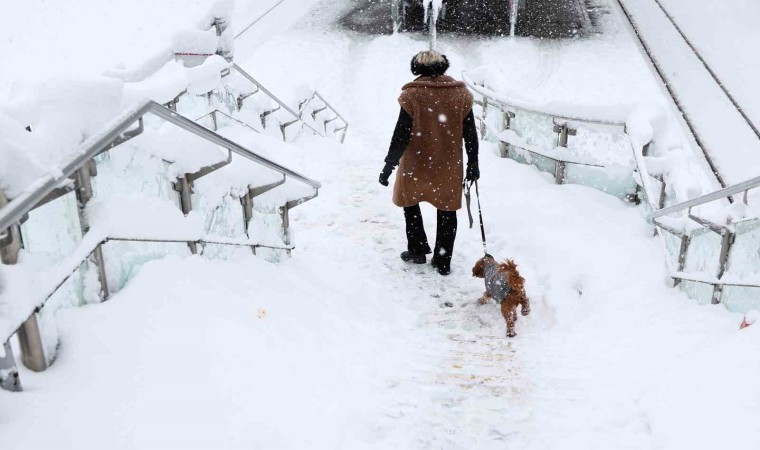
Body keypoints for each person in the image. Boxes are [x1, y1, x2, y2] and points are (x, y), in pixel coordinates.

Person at [378, 50, 479, 276]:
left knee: (409, 201)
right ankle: (443, 260)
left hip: (416, 163)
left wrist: (389, 164)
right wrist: (473, 163)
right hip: (448, 163)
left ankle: (417, 249)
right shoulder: (460, 94)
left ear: (417, 68)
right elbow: (470, 134)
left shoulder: (412, 95)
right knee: (447, 209)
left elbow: (401, 134)